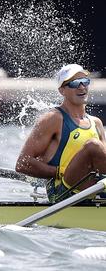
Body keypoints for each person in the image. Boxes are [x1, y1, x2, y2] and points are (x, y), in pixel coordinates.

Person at [16, 64, 106, 202]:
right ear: (62, 90)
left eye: (85, 82)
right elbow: (22, 164)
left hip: (93, 188)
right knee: (93, 146)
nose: (82, 87)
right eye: (75, 83)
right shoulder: (53, 119)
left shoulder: (96, 123)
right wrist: (59, 171)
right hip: (61, 192)